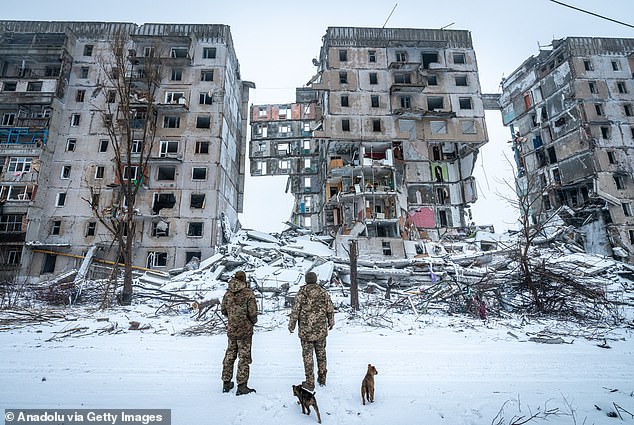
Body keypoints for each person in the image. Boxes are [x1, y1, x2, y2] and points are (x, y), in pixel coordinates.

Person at [288, 271, 335, 391]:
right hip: (320, 331)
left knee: (307, 357)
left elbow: (295, 311)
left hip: (306, 332)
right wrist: (331, 321)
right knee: (321, 354)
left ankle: (310, 382)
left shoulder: (301, 293)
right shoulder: (323, 292)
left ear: (306, 280)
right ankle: (322, 378)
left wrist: (291, 325)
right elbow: (330, 308)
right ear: (315, 279)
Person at [221, 270, 258, 395]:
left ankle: (226, 383)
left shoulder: (228, 293)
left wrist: (233, 318)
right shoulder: (248, 293)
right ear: (244, 280)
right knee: (244, 357)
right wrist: (253, 321)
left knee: (230, 355)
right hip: (245, 331)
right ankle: (242, 386)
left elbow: (223, 311)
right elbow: (253, 312)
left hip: (232, 329)